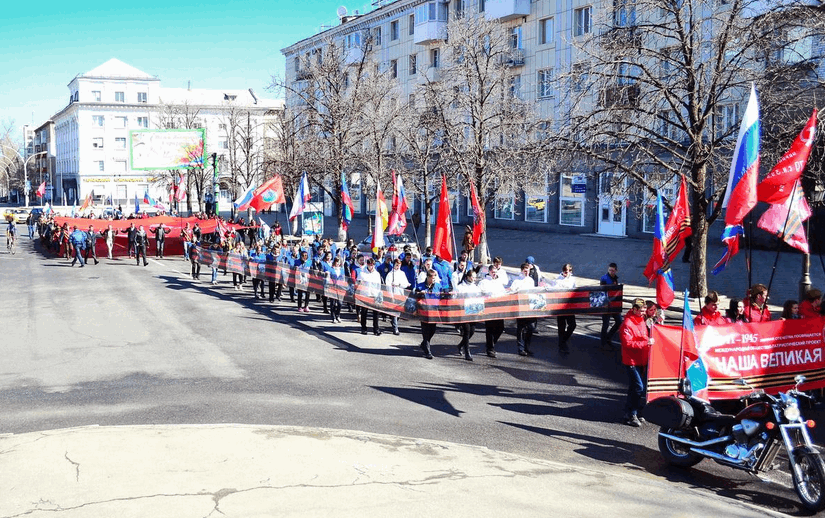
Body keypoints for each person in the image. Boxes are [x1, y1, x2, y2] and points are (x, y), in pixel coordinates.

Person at [620, 298, 652, 427]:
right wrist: (646, 343)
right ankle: (633, 414)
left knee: (634, 387)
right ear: (634, 309)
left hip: (641, 360)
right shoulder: (627, 324)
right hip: (631, 361)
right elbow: (627, 343)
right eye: (640, 309)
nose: (643, 312)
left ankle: (629, 412)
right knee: (639, 387)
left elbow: (644, 334)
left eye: (644, 309)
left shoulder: (642, 320)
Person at [509, 262, 538, 356]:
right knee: (521, 328)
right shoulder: (517, 281)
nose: (527, 273)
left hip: (529, 307)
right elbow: (513, 292)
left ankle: (527, 347)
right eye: (525, 271)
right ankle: (521, 348)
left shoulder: (531, 280)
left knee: (531, 327)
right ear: (522, 271)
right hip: (520, 307)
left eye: (528, 271)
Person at [415, 269, 442, 359]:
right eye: (432, 278)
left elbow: (442, 295)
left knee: (433, 330)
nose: (433, 280)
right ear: (428, 277)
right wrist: (419, 293)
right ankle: (428, 351)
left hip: (434, 312)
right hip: (424, 312)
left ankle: (424, 344)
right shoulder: (421, 286)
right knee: (425, 331)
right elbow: (414, 295)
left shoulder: (438, 286)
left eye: (434, 278)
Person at [552, 263, 576, 355]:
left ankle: (563, 340)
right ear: (563, 271)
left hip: (569, 306)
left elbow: (575, 290)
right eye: (566, 272)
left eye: (569, 271)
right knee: (561, 327)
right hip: (561, 306)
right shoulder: (558, 280)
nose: (567, 273)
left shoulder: (573, 279)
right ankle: (562, 345)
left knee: (572, 325)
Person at [455, 269, 479, 361]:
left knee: (472, 331)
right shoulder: (461, 287)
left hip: (473, 310)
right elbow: (456, 297)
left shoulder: (475, 287)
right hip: (464, 311)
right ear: (468, 277)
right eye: (473, 277)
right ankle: (467, 352)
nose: (474, 279)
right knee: (467, 330)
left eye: (475, 277)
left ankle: (460, 345)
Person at [599, 263, 622, 350]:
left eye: (613, 270)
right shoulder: (604, 278)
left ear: (616, 271)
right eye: (610, 270)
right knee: (605, 324)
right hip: (606, 304)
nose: (611, 272)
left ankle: (608, 337)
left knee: (619, 322)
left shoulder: (615, 278)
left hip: (614, 304)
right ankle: (603, 343)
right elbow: (602, 291)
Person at [358, 258, 383, 335]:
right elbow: (358, 282)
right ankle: (363, 328)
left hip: (374, 295)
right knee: (364, 312)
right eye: (369, 265)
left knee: (376, 313)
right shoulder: (362, 273)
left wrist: (379, 295)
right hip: (365, 294)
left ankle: (376, 329)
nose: (371, 267)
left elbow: (379, 285)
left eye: (372, 265)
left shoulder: (377, 274)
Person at [385, 258, 410, 335]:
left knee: (399, 311)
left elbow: (406, 283)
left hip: (400, 293)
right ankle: (395, 328)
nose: (397, 266)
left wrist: (400, 284)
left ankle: (394, 321)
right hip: (393, 293)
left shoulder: (402, 273)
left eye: (399, 265)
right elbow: (387, 285)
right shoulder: (390, 274)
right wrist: (390, 295)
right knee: (395, 311)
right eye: (396, 265)